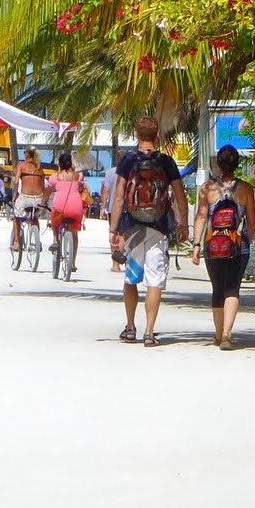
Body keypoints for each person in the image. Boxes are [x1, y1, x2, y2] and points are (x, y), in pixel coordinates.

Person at [108, 116, 189, 347]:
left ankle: (130, 327)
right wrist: (183, 225)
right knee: (154, 280)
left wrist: (114, 229)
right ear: (157, 136)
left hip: (132, 226)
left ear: (137, 135)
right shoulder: (166, 161)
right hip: (159, 227)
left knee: (131, 277)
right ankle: (149, 331)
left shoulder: (128, 160)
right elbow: (180, 195)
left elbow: (119, 197)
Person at [191, 144, 255, 350]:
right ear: (237, 164)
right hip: (237, 245)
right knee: (232, 288)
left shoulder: (207, 188)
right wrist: (246, 241)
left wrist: (196, 244)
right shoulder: (246, 189)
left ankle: (218, 334)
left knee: (217, 288)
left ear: (218, 164)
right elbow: (252, 221)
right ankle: (227, 334)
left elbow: (201, 216)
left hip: (213, 245)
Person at [47, 152, 89, 264]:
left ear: (59, 164)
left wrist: (42, 204)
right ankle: (73, 263)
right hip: (76, 210)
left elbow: (47, 193)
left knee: (55, 222)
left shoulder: (54, 177)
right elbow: (80, 187)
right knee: (74, 235)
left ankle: (55, 240)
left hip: (60, 210)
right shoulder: (78, 176)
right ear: (71, 164)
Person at [11, 148, 46, 251]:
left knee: (16, 217)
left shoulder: (21, 165)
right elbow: (43, 185)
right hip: (38, 198)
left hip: (25, 197)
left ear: (27, 154)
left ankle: (17, 243)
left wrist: (16, 193)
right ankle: (37, 241)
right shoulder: (39, 167)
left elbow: (16, 182)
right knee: (34, 218)